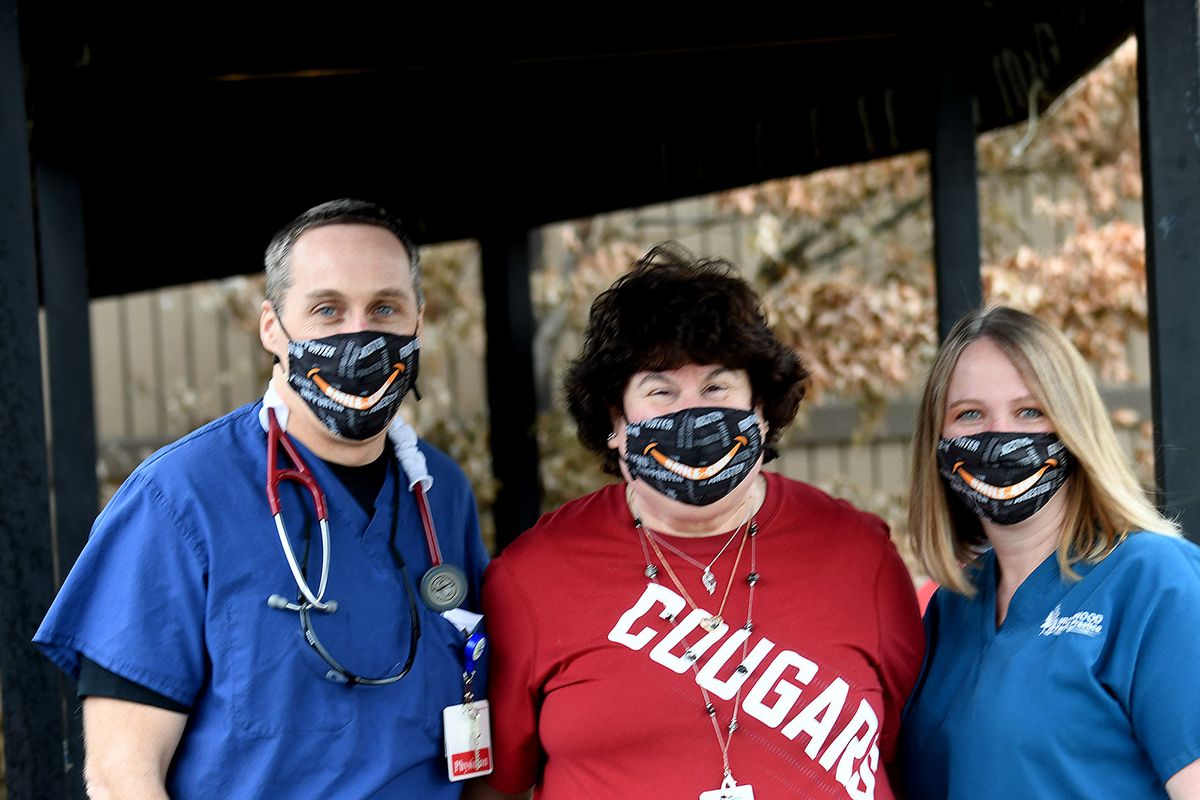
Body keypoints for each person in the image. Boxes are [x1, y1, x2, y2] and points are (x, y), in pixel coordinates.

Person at [35, 199, 491, 798]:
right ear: (272, 327)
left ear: (418, 323)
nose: (360, 333)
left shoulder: (439, 492)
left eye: (385, 307)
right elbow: (122, 775)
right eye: (327, 310)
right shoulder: (179, 497)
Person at [472, 244, 925, 800]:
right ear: (616, 421)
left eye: (716, 387)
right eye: (660, 391)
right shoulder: (532, 578)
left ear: (760, 407)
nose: (692, 413)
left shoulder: (861, 555)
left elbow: (916, 756)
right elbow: (493, 785)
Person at [900, 306, 1200, 800]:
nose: (1000, 436)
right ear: (937, 441)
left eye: (1030, 411)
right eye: (969, 413)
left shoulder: (1156, 583)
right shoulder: (951, 609)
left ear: (1073, 426)